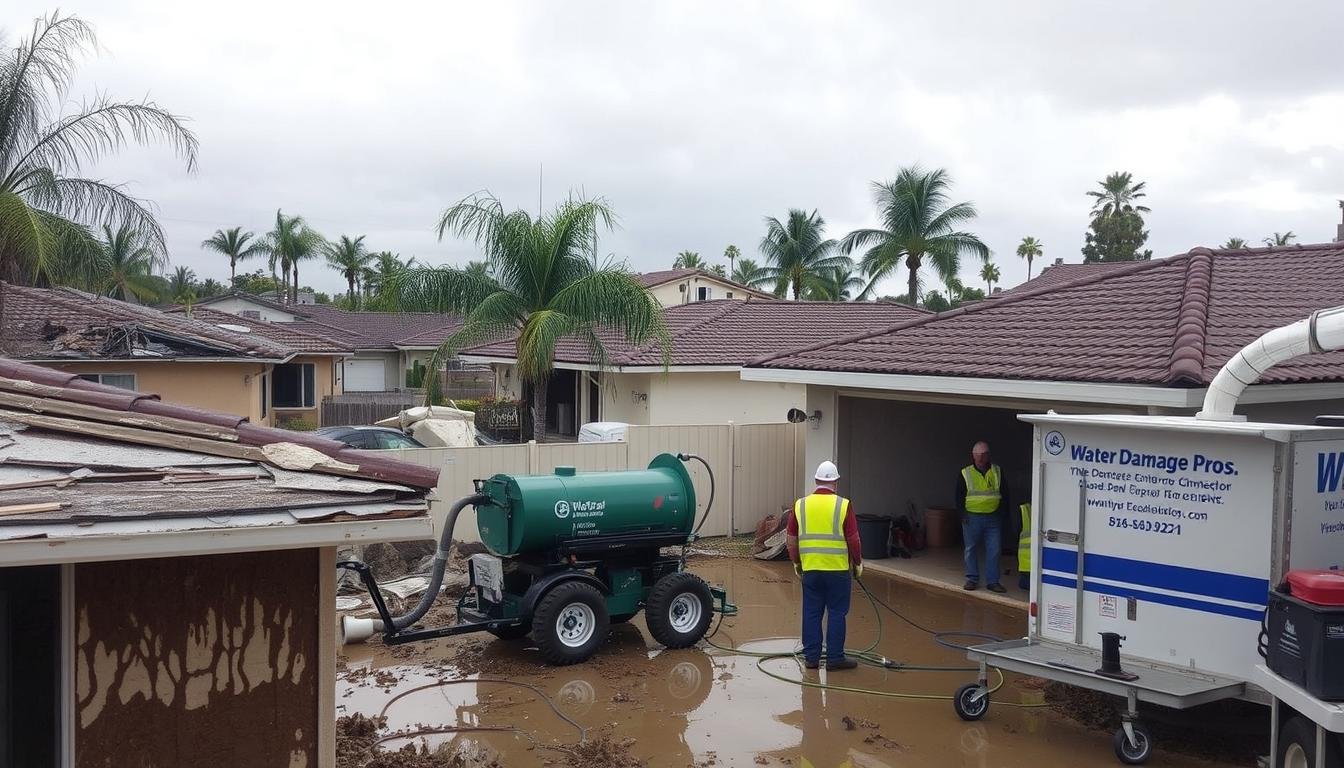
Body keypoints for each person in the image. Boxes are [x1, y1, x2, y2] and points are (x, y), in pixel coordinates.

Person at [787, 460, 863, 670]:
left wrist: (796, 562)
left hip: (811, 570)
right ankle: (835, 659)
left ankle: (812, 658)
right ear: (835, 483)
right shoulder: (843, 505)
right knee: (837, 612)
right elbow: (854, 539)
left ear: (816, 481)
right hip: (837, 571)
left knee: (812, 612)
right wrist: (857, 563)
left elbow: (791, 539)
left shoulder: (800, 505)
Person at [956, 441, 1011, 593]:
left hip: (993, 518)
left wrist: (1003, 514)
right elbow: (959, 496)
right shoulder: (965, 473)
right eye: (977, 455)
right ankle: (972, 579)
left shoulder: (997, 471)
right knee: (970, 549)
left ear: (988, 455)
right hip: (971, 517)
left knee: (994, 550)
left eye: (983, 455)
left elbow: (1005, 494)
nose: (980, 458)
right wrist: (962, 515)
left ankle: (993, 581)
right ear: (973, 456)